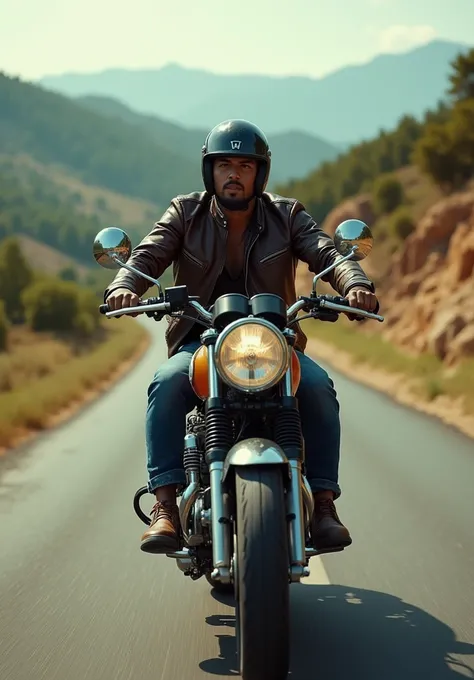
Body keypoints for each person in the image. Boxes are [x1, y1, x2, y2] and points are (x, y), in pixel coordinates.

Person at [104, 119, 379, 555]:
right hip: (203, 340)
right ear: (209, 171)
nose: (234, 174)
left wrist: (353, 283)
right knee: (167, 381)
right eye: (225, 164)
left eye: (245, 165)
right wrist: (124, 285)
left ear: (260, 173)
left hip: (274, 340)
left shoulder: (287, 215)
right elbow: (149, 254)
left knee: (318, 387)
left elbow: (327, 253)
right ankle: (166, 507)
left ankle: (324, 504)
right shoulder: (185, 212)